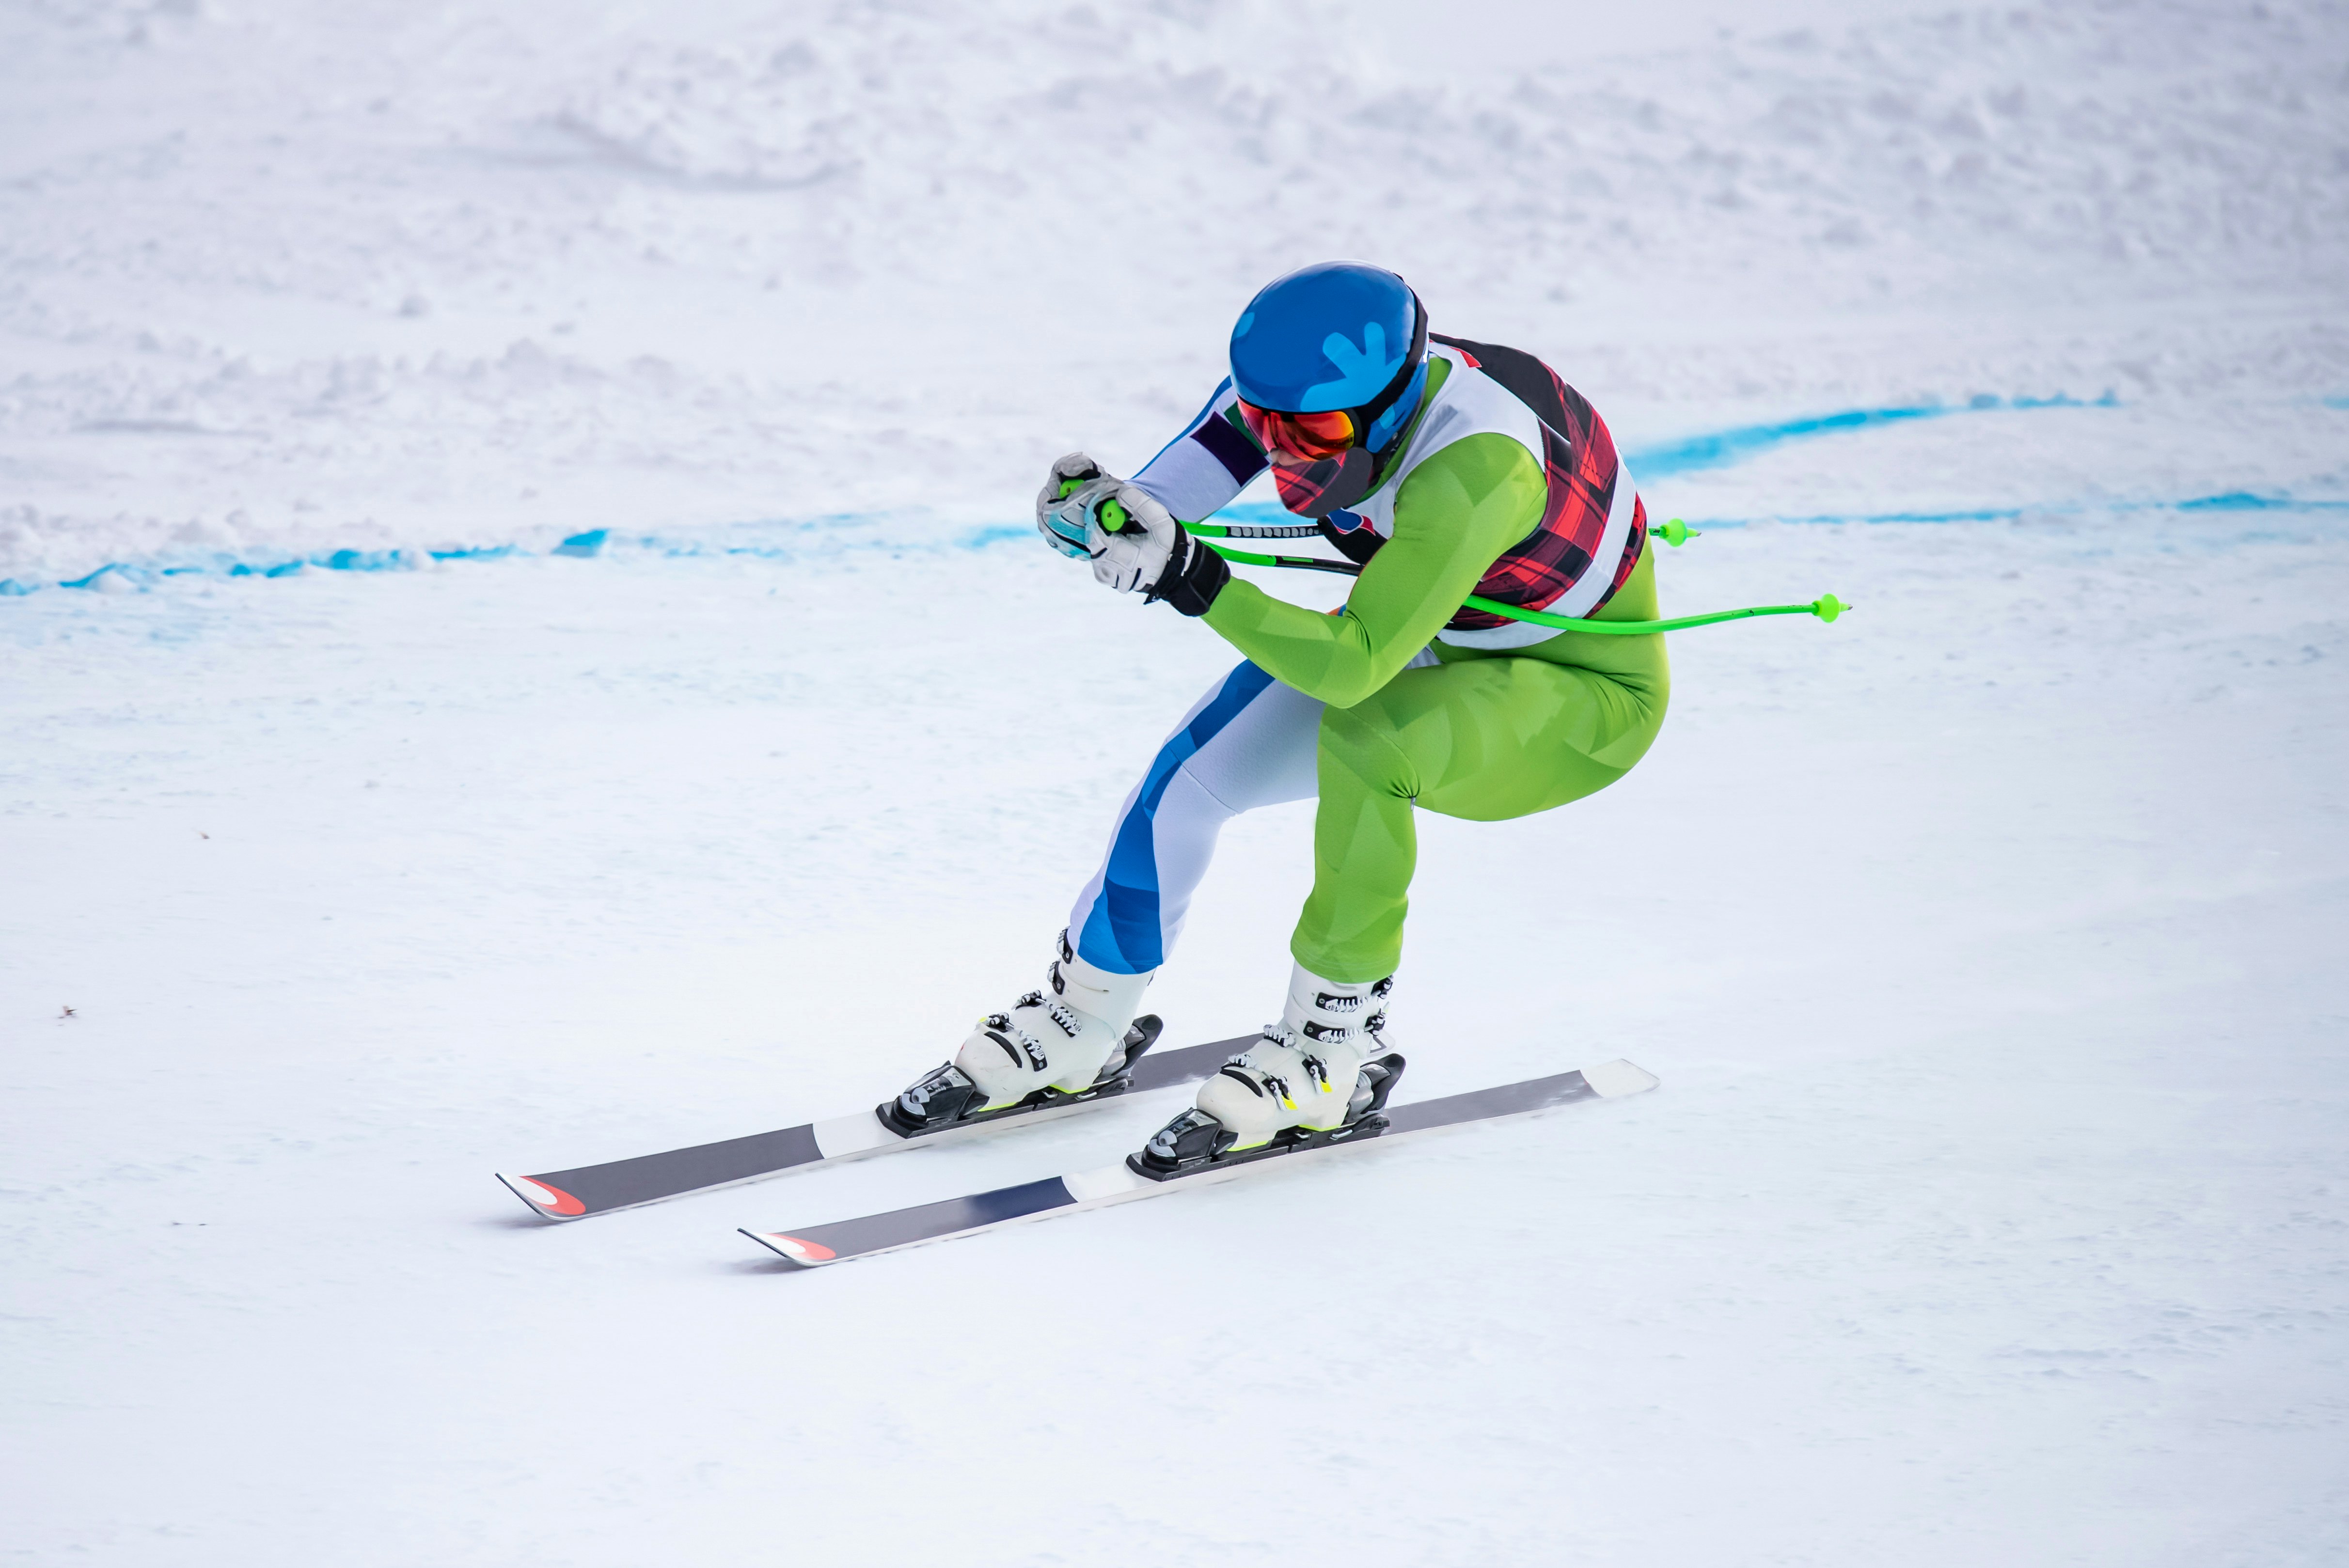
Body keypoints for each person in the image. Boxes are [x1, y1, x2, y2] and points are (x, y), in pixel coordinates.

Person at [889, 260, 1669, 1171]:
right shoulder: (1292, 399)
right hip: (1431, 632)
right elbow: (1169, 497)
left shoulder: (1477, 467)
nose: (1289, 449)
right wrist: (1102, 518)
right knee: (1189, 777)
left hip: (1578, 695)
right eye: (1266, 425)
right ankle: (1086, 1014)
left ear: (1395, 400)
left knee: (1373, 742)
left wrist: (1194, 579)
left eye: (1319, 431)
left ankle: (1331, 1047)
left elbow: (1353, 668)